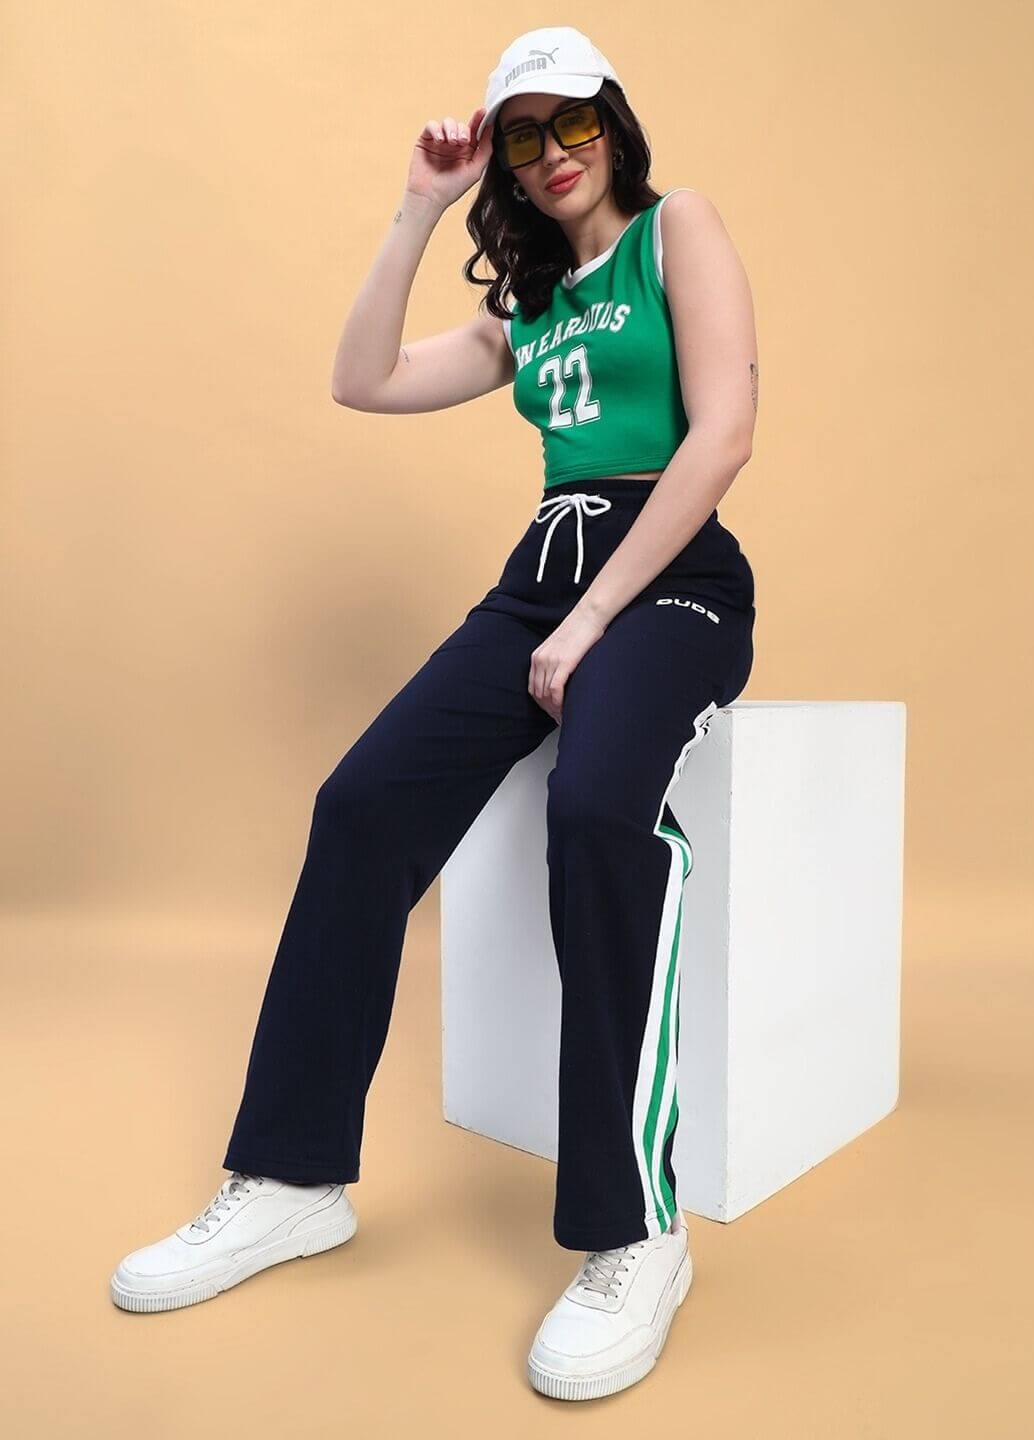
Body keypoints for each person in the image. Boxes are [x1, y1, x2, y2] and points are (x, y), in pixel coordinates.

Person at [110, 25, 759, 1402]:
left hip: (671, 578)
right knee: (359, 808)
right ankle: (291, 1177)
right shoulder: (526, 306)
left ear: (613, 124)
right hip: (543, 575)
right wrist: (416, 205)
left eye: (569, 123)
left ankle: (635, 1233)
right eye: (521, 138)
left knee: (596, 813)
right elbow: (362, 379)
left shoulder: (677, 230)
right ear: (504, 165)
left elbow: (723, 435)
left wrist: (594, 623)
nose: (552, 153)